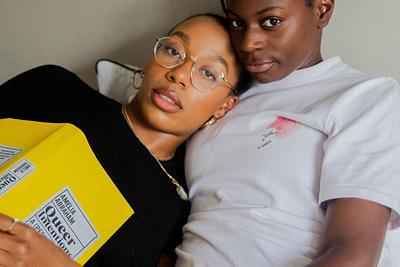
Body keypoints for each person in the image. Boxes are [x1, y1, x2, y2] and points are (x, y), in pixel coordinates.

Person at [0, 14, 250, 267]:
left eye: (208, 73)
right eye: (174, 51)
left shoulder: (182, 213)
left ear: (224, 106)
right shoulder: (54, 88)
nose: (179, 75)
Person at [176, 1, 400, 266]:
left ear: (322, 10)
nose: (249, 43)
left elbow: (352, 253)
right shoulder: (219, 94)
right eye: (237, 22)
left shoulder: (364, 97)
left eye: (271, 21)